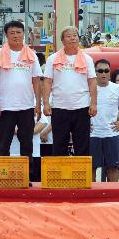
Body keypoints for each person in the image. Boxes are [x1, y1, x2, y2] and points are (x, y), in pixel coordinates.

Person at [0, 21, 42, 159]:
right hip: (6, 107)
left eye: (19, 32)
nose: (16, 36)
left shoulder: (32, 55)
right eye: (12, 33)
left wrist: (38, 104)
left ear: (24, 34)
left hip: (27, 106)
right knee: (4, 144)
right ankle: (3, 177)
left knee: (27, 145)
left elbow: (36, 80)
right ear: (6, 35)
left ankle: (27, 177)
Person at [42, 26, 97, 156]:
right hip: (60, 108)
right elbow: (47, 82)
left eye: (75, 35)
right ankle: (60, 176)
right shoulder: (53, 58)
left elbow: (92, 81)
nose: (72, 38)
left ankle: (81, 175)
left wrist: (93, 103)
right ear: (62, 40)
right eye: (69, 36)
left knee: (82, 146)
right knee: (59, 145)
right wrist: (45, 103)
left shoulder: (87, 58)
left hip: (82, 107)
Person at [90, 59, 119, 182]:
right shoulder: (88, 88)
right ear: (95, 72)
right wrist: (84, 124)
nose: (103, 74)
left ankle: (113, 197)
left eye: (106, 71)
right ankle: (91, 198)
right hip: (92, 135)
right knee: (91, 168)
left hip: (111, 134)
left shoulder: (117, 88)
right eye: (100, 71)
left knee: (113, 168)